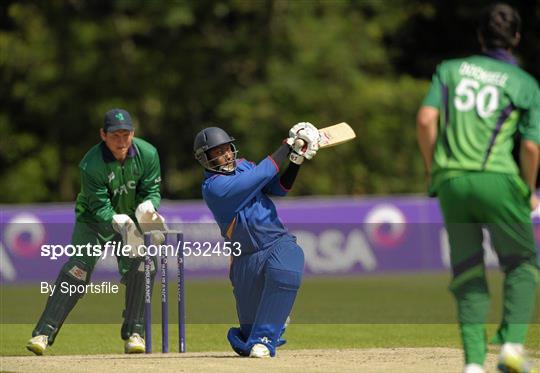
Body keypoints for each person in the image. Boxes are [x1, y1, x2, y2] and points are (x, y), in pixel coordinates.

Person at [416, 4, 539, 373]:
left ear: (480, 36)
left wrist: (433, 169)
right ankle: (512, 347)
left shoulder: (450, 70)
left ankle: (472, 364)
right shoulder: (525, 83)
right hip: (498, 177)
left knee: (468, 270)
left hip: (452, 180)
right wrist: (529, 189)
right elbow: (532, 147)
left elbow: (425, 120)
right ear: (516, 38)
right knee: (522, 265)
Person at [26, 108, 163, 355]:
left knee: (145, 265)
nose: (121, 142)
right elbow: (99, 205)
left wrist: (149, 206)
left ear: (133, 133)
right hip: (93, 222)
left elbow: (151, 190)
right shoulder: (91, 164)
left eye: (125, 135)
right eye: (114, 136)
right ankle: (43, 334)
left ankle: (135, 333)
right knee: (76, 270)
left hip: (130, 220)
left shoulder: (149, 154)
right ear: (103, 134)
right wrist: (114, 218)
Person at [193, 123, 319, 357]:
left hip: (275, 241)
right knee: (248, 334)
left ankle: (265, 339)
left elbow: (278, 187)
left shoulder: (243, 167)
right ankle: (272, 322)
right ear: (205, 159)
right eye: (218, 153)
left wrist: (295, 160)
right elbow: (262, 174)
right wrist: (288, 145)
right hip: (245, 258)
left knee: (287, 267)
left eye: (227, 149)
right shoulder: (213, 188)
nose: (226, 155)